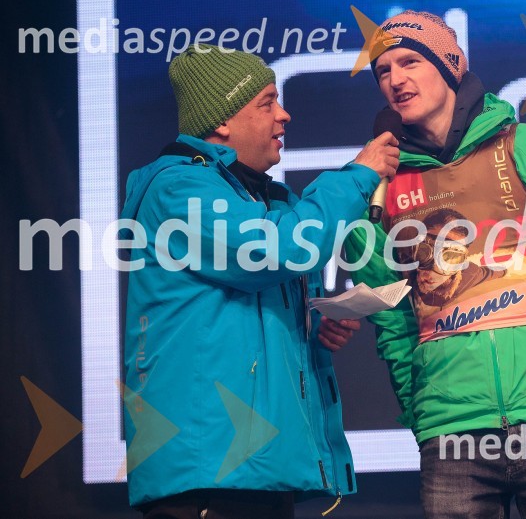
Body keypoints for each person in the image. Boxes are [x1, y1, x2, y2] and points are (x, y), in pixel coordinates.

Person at [345, 11, 526, 518]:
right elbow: (387, 309)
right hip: (450, 424)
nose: (395, 79)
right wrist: (420, 400)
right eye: (382, 71)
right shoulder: (378, 187)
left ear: (450, 64)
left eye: (409, 61)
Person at [121, 43, 399, 518]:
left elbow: (240, 316)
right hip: (207, 471)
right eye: (268, 102)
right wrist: (358, 177)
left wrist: (314, 328)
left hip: (253, 468)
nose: (285, 115)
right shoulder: (178, 188)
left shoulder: (264, 199)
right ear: (223, 121)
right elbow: (274, 252)